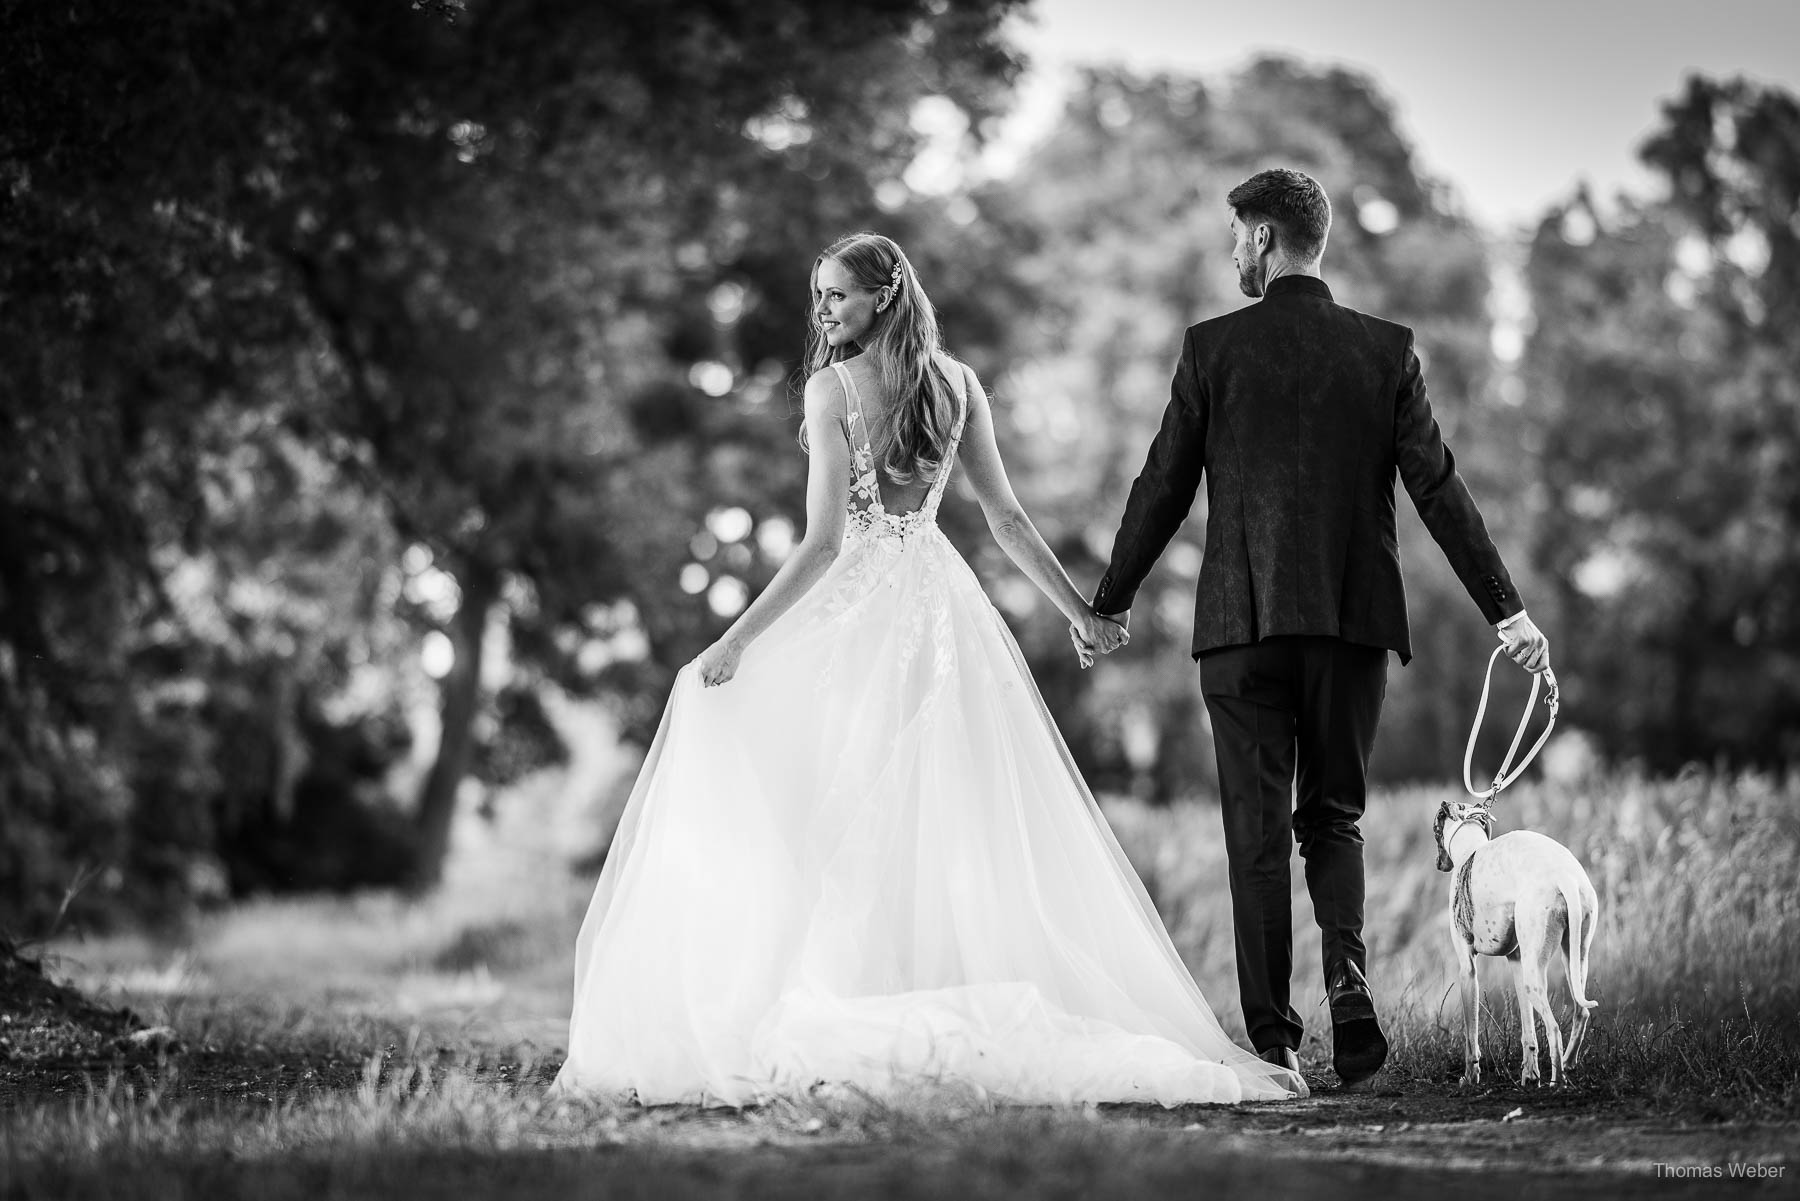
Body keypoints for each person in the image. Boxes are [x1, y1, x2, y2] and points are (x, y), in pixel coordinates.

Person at [550, 231, 1304, 1107]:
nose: (823, 311)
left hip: (861, 621)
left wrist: (736, 641)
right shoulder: (960, 385)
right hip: (942, 615)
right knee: (922, 818)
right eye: (819, 295)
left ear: (881, 297)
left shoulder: (831, 389)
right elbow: (1008, 522)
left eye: (836, 295)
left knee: (830, 815)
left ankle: (844, 1000)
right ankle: (891, 997)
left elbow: (825, 544)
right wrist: (1083, 617)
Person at [1081, 169, 1551, 1090]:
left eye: (1235, 237)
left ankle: (1275, 1043)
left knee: (1255, 832)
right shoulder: (1385, 352)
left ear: (1263, 239)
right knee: (1333, 818)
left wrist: (1110, 600)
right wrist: (1509, 609)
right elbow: (1438, 488)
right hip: (1350, 627)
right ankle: (1348, 988)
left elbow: (1161, 485)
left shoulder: (1212, 350)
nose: (1231, 253)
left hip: (1240, 629)